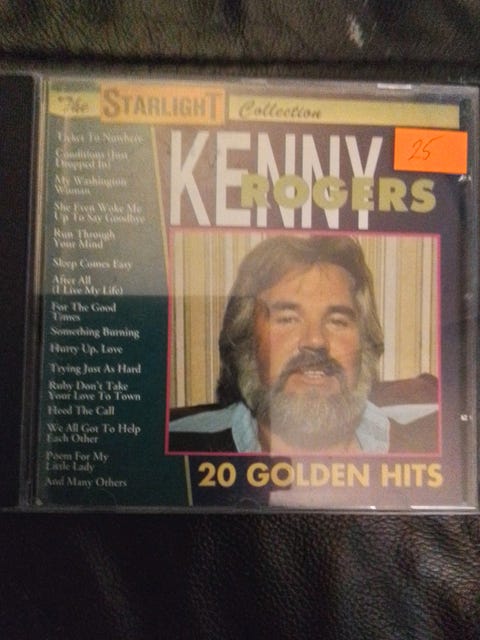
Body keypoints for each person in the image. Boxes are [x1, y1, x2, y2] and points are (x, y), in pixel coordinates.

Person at [169, 235, 438, 454]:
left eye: (337, 321)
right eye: (288, 319)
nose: (315, 340)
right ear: (248, 344)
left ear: (364, 345)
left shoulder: (432, 443)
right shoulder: (175, 446)